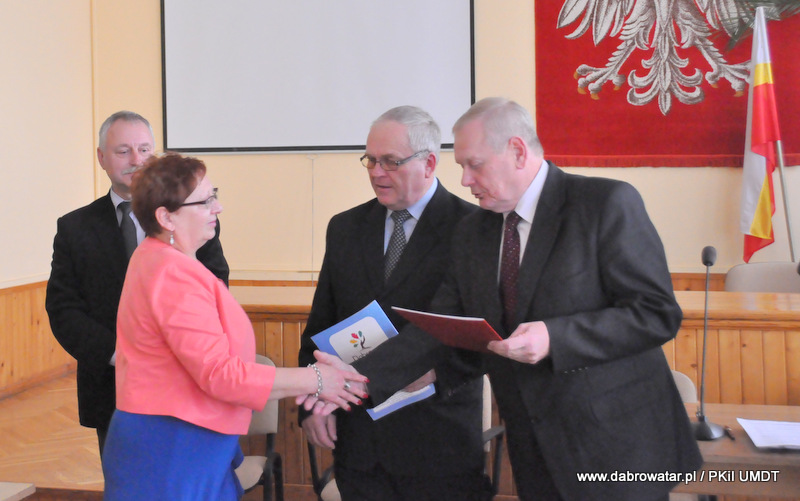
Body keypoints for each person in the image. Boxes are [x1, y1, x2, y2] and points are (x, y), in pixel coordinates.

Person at [353, 98, 703, 501]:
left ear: (518, 151)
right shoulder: (472, 232)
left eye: (474, 165)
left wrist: (555, 338)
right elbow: (441, 325)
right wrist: (353, 377)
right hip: (534, 451)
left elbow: (656, 314)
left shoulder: (603, 203)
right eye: (461, 166)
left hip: (616, 447)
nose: (465, 180)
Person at [102, 152, 367, 500]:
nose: (218, 207)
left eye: (214, 195)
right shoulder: (172, 273)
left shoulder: (160, 259)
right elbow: (220, 375)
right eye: (205, 201)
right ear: (166, 217)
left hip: (184, 438)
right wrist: (317, 379)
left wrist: (313, 381)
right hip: (172, 446)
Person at [297, 106, 487, 501]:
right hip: (359, 442)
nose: (376, 172)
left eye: (390, 161)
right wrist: (313, 404)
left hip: (437, 441)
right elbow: (321, 322)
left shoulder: (473, 228)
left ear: (429, 163)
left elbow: (484, 335)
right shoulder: (345, 227)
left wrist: (434, 373)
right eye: (370, 160)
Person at [45, 111, 229, 458]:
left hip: (189, 381)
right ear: (101, 157)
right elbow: (63, 309)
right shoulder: (74, 228)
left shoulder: (193, 216)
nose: (136, 160)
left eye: (145, 149)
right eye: (123, 151)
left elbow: (216, 285)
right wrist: (122, 355)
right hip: (112, 390)